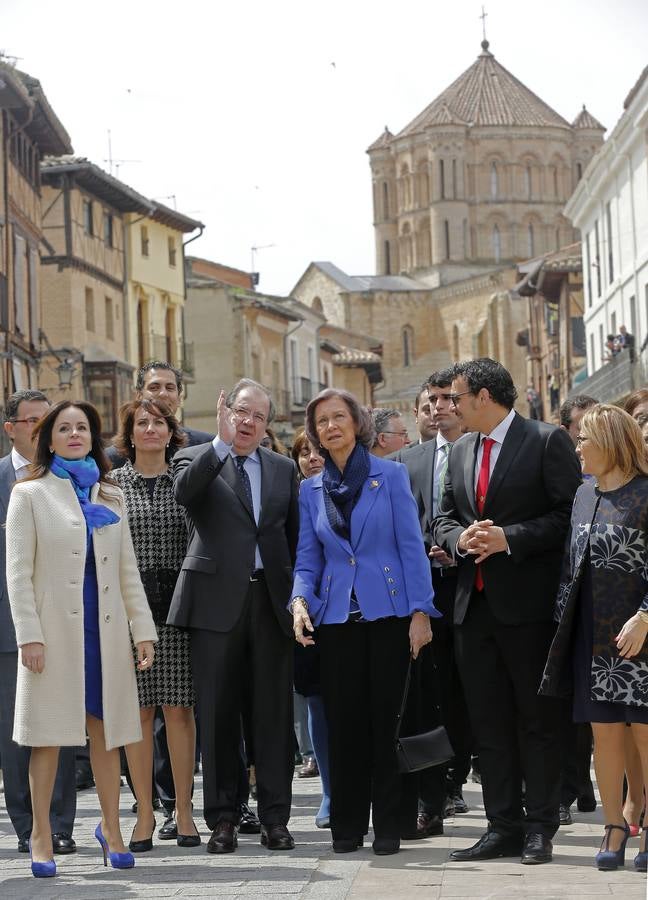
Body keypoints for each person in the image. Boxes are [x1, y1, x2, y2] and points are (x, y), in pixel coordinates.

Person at [432, 358, 581, 865]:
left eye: (455, 397)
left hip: (529, 612)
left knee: (536, 722)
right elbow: (443, 519)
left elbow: (569, 516)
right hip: (472, 611)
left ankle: (540, 827)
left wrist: (509, 539)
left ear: (483, 396)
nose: (448, 407)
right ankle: (502, 826)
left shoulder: (545, 441)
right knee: (488, 723)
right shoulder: (459, 450)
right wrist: (459, 539)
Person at [6, 400, 157, 878]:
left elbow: (127, 570)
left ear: (93, 437)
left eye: (83, 428)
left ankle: (111, 829)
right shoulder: (29, 494)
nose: (74, 435)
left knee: (107, 735)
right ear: (48, 439)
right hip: (52, 636)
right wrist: (29, 634)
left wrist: (143, 631)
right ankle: (41, 835)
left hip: (106, 633)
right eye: (64, 428)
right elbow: (17, 575)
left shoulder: (110, 496)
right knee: (46, 739)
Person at [291, 388, 438, 856]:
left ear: (357, 424)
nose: (330, 426)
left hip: (390, 614)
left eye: (339, 417)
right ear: (314, 433)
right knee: (344, 725)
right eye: (322, 421)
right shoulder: (309, 489)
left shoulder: (389, 476)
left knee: (385, 722)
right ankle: (347, 827)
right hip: (335, 621)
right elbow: (307, 558)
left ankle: (391, 824)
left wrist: (421, 611)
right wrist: (298, 601)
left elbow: (412, 547)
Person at [168, 378, 299, 854]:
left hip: (271, 604)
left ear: (267, 426)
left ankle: (275, 819)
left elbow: (293, 540)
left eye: (258, 417)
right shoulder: (197, 455)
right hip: (214, 607)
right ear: (227, 411)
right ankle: (223, 818)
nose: (247, 422)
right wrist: (220, 442)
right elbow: (184, 492)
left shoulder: (284, 470)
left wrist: (299, 599)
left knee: (273, 717)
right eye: (241, 412)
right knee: (219, 716)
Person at [107, 360, 216, 841]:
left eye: (159, 422)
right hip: (129, 613)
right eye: (142, 422)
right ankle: (145, 812)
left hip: (178, 609)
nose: (151, 429)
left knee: (178, 710)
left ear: (172, 432)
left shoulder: (187, 480)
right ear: (129, 433)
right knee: (138, 713)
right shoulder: (109, 488)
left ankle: (187, 811)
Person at [540, 405, 648, 873]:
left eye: (584, 439)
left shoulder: (646, 493)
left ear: (610, 441)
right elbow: (570, 569)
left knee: (644, 735)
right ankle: (613, 826)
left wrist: (646, 616)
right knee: (602, 736)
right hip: (592, 638)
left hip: (640, 638)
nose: (577, 447)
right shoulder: (583, 496)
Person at [390, 370, 473, 838]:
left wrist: (459, 544)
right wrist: (426, 548)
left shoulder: (483, 453)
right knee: (428, 696)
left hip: (472, 589)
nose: (440, 406)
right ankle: (434, 794)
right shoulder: (404, 461)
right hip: (421, 596)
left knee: (469, 692)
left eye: (447, 397)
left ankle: (459, 777)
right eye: (431, 399)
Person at [0, 391, 78, 856]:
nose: (39, 428)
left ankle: (61, 824)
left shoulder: (73, 477)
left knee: (60, 726)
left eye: (45, 420)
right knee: (16, 732)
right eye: (31, 421)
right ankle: (28, 823)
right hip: (6, 627)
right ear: (10, 427)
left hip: (62, 622)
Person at [557, 394, 598, 824]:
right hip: (576, 613)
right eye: (583, 430)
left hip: (624, 619)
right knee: (576, 711)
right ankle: (573, 788)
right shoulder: (576, 490)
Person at [290, 432, 330, 826]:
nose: (313, 458)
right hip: (306, 611)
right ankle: (330, 792)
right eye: (305, 452)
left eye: (318, 451)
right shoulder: (293, 496)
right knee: (314, 700)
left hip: (348, 609)